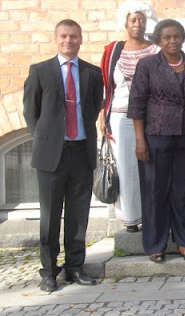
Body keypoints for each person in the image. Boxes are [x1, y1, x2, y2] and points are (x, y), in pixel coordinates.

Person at [23, 19, 103, 292]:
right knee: (50, 217)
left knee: (78, 215)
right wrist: (47, 139)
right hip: (51, 155)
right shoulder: (40, 71)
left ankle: (75, 267)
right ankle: (48, 272)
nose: (69, 41)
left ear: (81, 39)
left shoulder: (92, 73)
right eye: (64, 36)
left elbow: (93, 107)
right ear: (56, 39)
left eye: (74, 36)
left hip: (81, 151)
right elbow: (31, 112)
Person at [128, 19, 185, 263]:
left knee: (183, 190)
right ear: (159, 41)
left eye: (177, 36)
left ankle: (184, 242)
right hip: (156, 136)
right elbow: (137, 103)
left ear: (183, 38)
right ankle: (156, 244)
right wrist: (140, 140)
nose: (173, 41)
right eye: (167, 37)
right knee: (155, 191)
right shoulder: (147, 65)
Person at [100, 0, 159, 233]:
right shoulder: (113, 50)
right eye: (133, 20)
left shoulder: (156, 50)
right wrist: (102, 115)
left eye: (142, 20)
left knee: (150, 165)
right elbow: (106, 85)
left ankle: (152, 214)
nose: (137, 24)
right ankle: (131, 218)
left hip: (151, 116)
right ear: (125, 23)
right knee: (126, 167)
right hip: (120, 116)